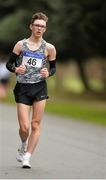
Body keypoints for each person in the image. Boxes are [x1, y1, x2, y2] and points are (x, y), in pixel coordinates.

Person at [6, 12, 56, 168]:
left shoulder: (49, 48)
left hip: (39, 87)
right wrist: (16, 69)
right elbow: (9, 64)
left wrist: (48, 73)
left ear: (45, 29)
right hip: (22, 88)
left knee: (35, 124)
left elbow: (53, 68)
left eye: (42, 26)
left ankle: (27, 156)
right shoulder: (21, 45)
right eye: (37, 25)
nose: (39, 28)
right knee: (24, 127)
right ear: (31, 26)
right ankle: (23, 144)